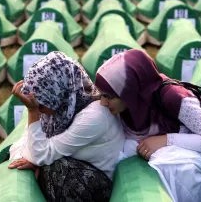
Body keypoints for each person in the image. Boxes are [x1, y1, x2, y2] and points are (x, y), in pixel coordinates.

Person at [94, 49, 201, 202]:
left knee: (169, 164)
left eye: (108, 96)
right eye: (101, 95)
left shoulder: (173, 97)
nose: (102, 102)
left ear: (129, 89)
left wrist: (165, 140)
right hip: (180, 156)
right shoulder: (129, 106)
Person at [8, 51, 125, 202]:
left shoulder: (94, 116)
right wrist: (35, 158)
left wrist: (32, 111)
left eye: (41, 102)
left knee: (56, 167)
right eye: (33, 103)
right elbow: (21, 146)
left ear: (58, 92)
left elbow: (38, 155)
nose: (37, 106)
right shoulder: (59, 111)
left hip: (98, 184)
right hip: (79, 169)